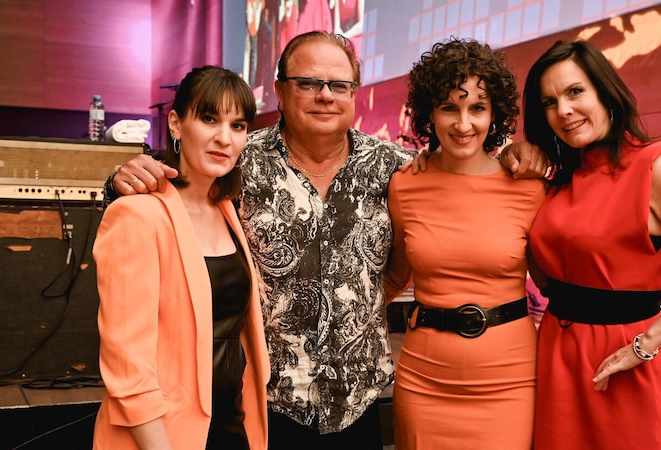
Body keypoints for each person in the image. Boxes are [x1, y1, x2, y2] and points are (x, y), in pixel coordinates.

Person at [103, 32, 548, 448]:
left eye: (339, 84)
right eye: (309, 82)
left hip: (358, 403)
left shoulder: (398, 168)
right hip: (264, 403)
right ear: (278, 91)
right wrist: (121, 177)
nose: (325, 95)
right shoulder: (237, 159)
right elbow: (171, 196)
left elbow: (412, 248)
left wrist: (518, 152)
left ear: (355, 93)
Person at [518, 39, 661, 449]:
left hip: (626, 359)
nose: (564, 110)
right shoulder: (563, 177)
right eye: (549, 102)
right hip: (558, 349)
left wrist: (649, 343)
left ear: (605, 92)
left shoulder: (654, 166)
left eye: (575, 92)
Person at [92, 66, 270, 449]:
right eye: (209, 119)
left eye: (238, 126)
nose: (224, 137)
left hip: (231, 423)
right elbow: (128, 365)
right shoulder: (137, 215)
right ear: (175, 124)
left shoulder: (226, 209)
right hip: (164, 434)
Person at [384, 38, 546, 450]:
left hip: (510, 382)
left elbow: (554, 280)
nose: (463, 124)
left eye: (477, 107)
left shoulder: (528, 187)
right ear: (429, 115)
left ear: (495, 115)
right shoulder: (405, 184)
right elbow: (392, 276)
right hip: (424, 382)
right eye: (448, 107)